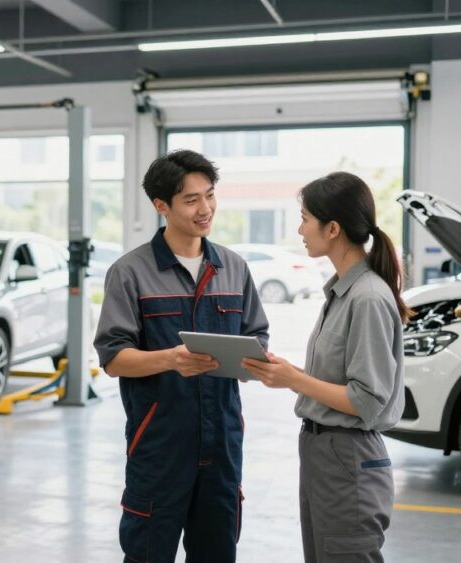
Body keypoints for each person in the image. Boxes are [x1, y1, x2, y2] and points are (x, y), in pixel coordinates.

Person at [93, 150, 270, 563]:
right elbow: (114, 357)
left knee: (217, 553)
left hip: (223, 443)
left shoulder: (234, 268)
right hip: (159, 444)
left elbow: (257, 337)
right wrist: (169, 359)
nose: (205, 209)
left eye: (209, 195)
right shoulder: (130, 272)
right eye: (191, 200)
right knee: (148, 553)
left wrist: (253, 363)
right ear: (161, 206)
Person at [242, 171, 408, 563]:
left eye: (304, 218)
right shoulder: (340, 291)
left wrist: (295, 380)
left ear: (332, 228)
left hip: (346, 456)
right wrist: (290, 374)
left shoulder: (366, 297)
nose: (300, 229)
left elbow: (366, 400)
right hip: (323, 451)